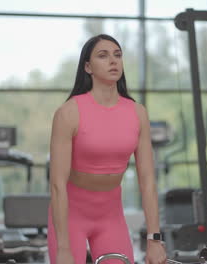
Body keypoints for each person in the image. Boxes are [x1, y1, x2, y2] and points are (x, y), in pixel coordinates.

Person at [47, 34, 167, 264]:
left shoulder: (137, 112)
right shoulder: (69, 113)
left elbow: (148, 180)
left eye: (117, 55)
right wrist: (63, 247)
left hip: (111, 216)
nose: (113, 61)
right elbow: (57, 185)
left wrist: (154, 240)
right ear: (88, 67)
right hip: (70, 216)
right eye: (103, 56)